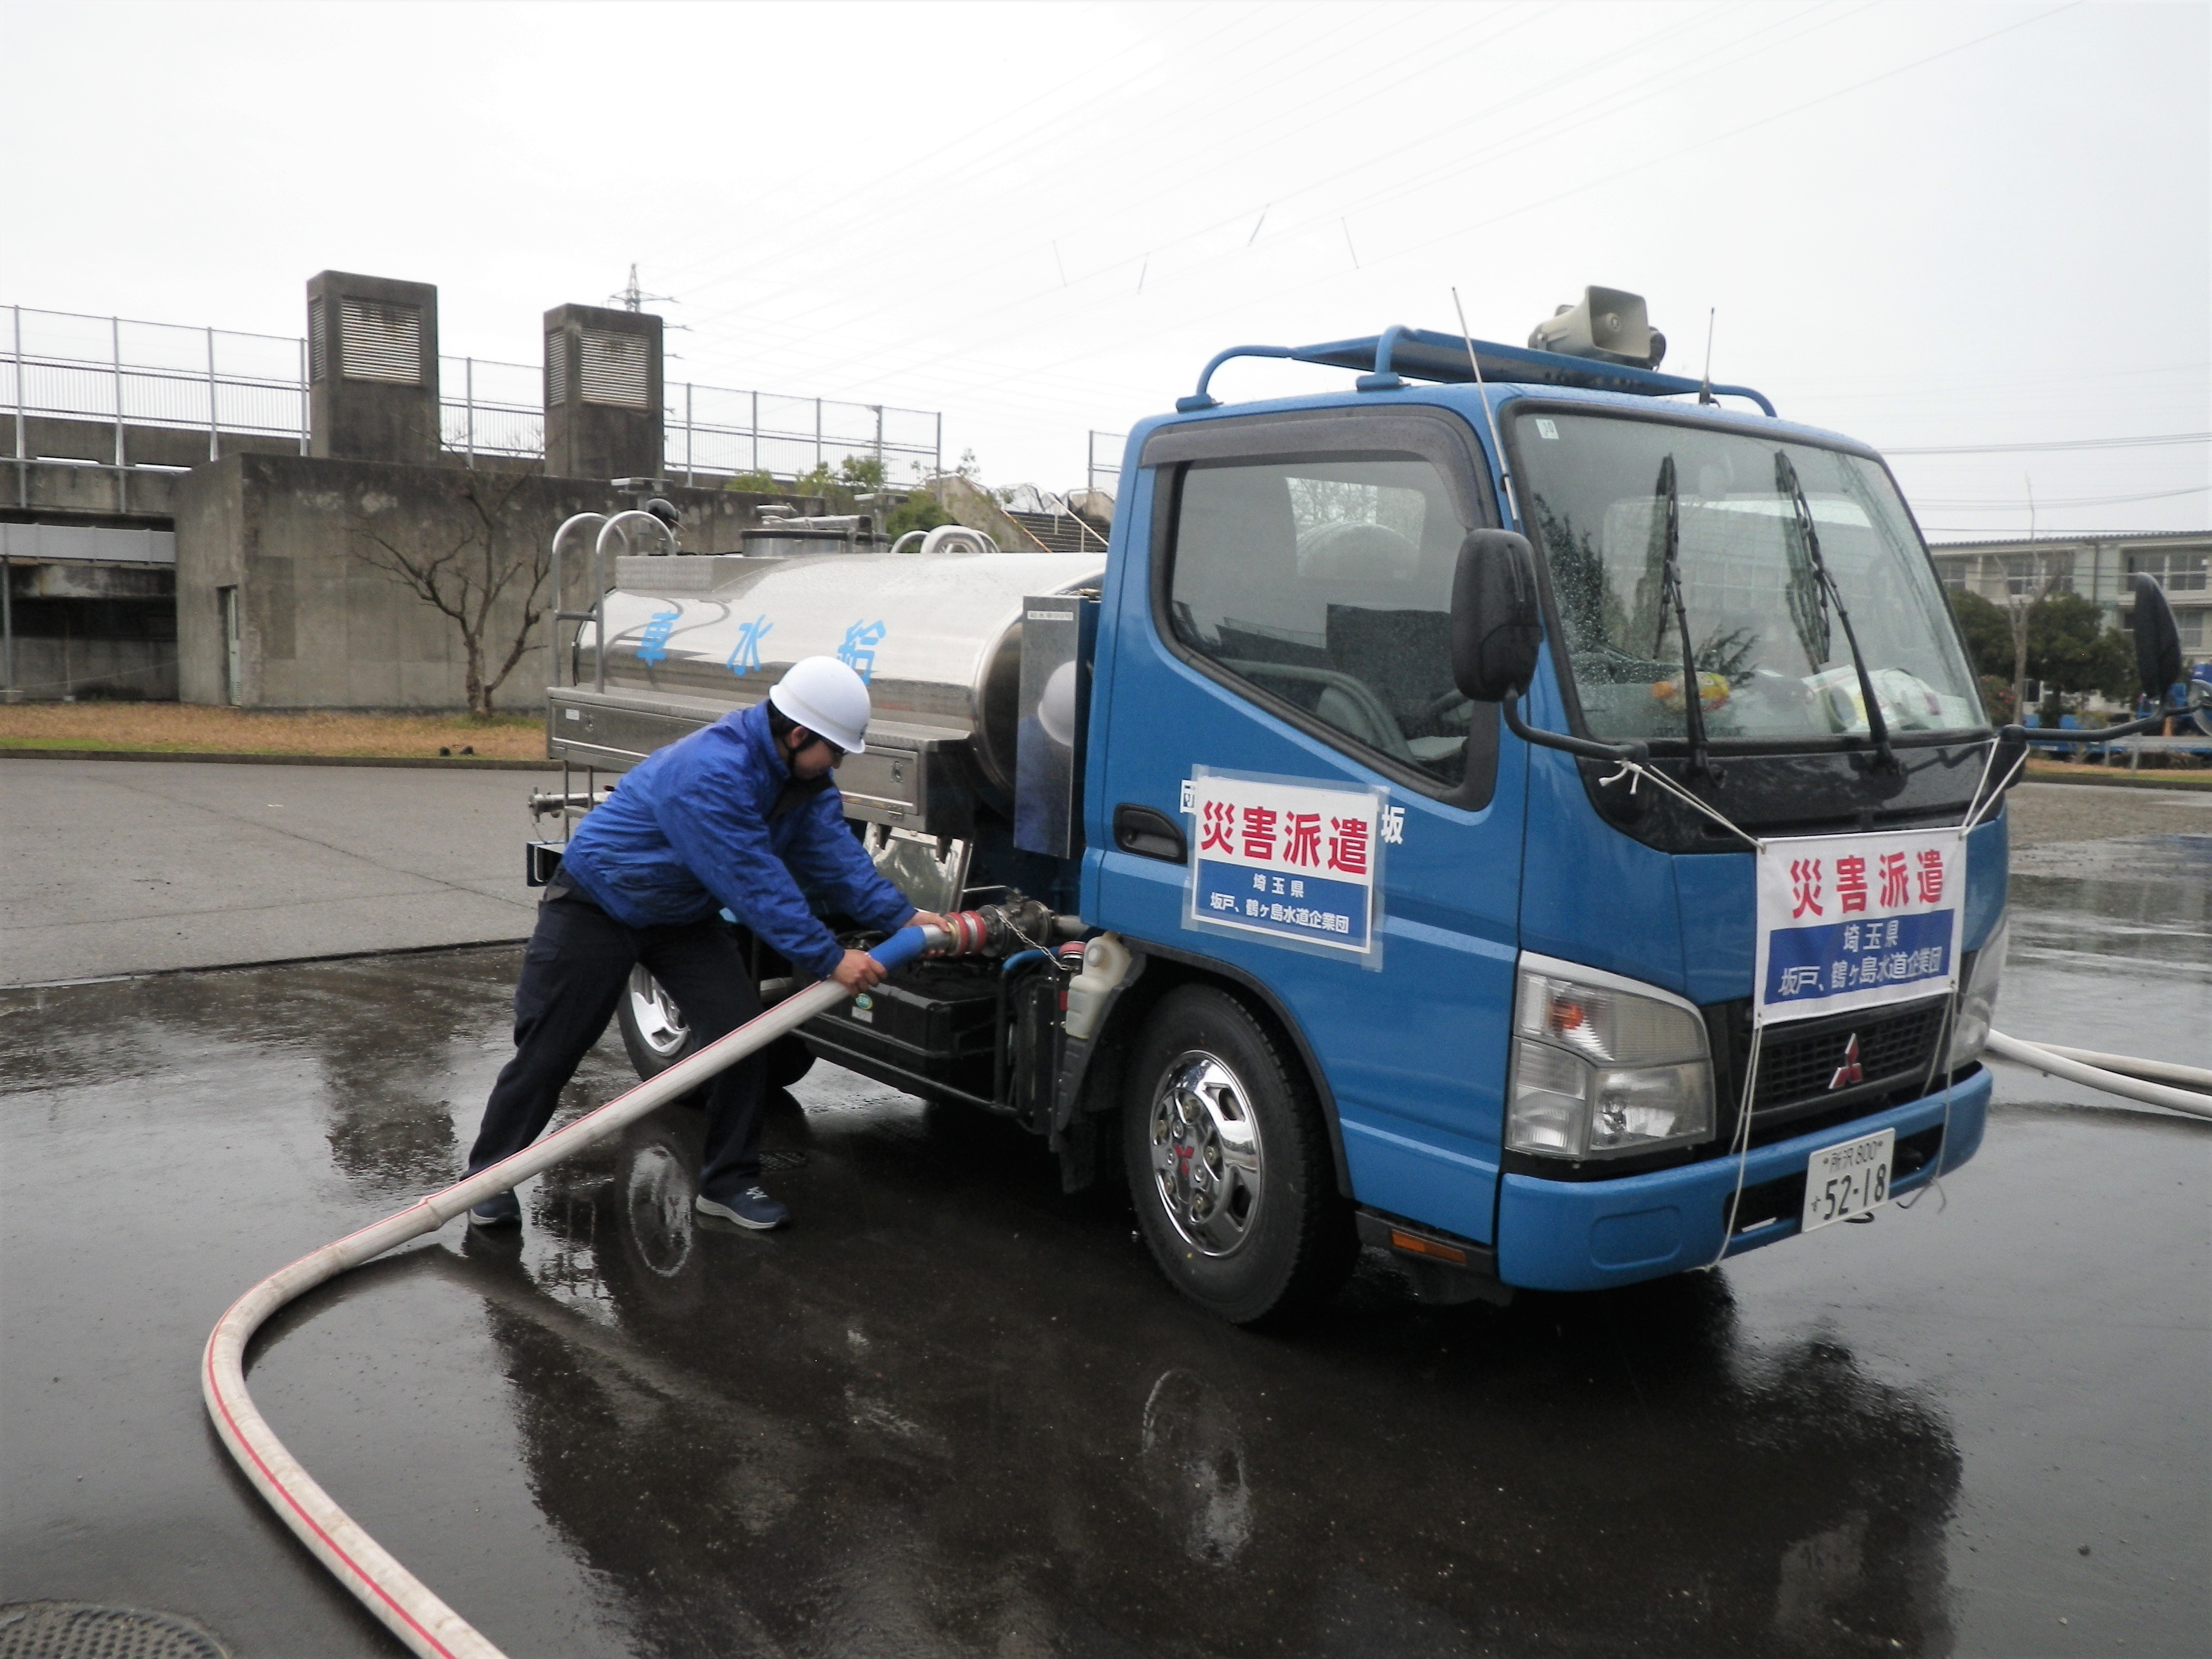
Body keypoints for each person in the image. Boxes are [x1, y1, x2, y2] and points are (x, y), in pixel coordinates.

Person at [463, 657, 945, 1232]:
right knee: (551, 1046)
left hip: (679, 916)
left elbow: (837, 862)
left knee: (742, 1037)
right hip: (598, 902)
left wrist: (904, 917)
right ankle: (486, 1179)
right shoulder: (712, 771)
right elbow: (752, 882)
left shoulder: (805, 782)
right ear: (797, 734)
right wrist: (831, 958)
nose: (837, 763)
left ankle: (729, 1183)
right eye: (835, 751)